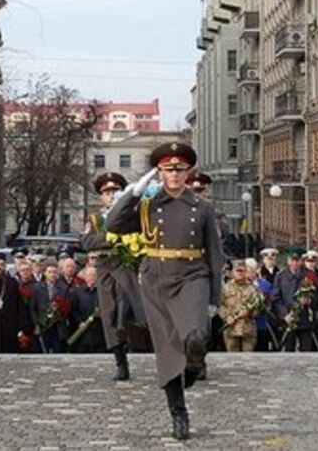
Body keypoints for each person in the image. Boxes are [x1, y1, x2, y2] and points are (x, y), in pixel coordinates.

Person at [106, 141, 224, 441]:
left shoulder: (202, 208)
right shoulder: (147, 205)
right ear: (160, 172)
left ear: (188, 173)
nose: (174, 174)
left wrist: (214, 297)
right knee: (169, 353)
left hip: (192, 275)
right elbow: (114, 224)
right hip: (156, 278)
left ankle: (195, 365)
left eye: (180, 169)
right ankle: (179, 413)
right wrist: (132, 193)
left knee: (196, 335)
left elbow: (215, 253)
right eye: (168, 169)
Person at [81, 171, 146, 378]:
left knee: (126, 303)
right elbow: (87, 242)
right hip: (104, 267)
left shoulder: (132, 214)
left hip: (126, 264)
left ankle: (129, 330)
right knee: (108, 312)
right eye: (107, 192)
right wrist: (110, 237)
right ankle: (120, 360)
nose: (111, 195)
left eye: (115, 191)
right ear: (101, 196)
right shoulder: (95, 218)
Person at [271, 250, 318, 353]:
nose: (295, 263)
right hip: (289, 319)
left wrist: (310, 300)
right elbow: (275, 298)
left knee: (307, 350)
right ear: (288, 261)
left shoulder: (310, 275)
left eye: (297, 260)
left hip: (305, 319)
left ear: (301, 261)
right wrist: (284, 314)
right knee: (289, 350)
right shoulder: (280, 276)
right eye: (292, 260)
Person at [218, 260, 261, 352]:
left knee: (248, 359)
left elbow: (258, 308)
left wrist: (249, 312)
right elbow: (219, 305)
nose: (240, 273)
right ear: (232, 272)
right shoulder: (225, 288)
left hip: (248, 330)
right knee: (232, 359)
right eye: (238, 271)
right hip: (231, 329)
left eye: (242, 271)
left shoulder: (253, 288)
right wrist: (226, 317)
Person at [30, 260, 70, 353]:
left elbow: (67, 307)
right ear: (44, 273)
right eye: (49, 272)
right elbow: (33, 308)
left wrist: (59, 313)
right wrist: (36, 324)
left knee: (58, 350)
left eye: (54, 272)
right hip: (43, 324)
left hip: (57, 325)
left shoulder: (64, 288)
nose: (52, 274)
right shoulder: (37, 288)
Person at [68, 266, 107, 353]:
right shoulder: (77, 292)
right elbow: (73, 310)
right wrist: (79, 322)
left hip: (99, 331)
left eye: (94, 275)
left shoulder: (103, 292)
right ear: (85, 277)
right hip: (83, 331)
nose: (92, 277)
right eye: (89, 275)